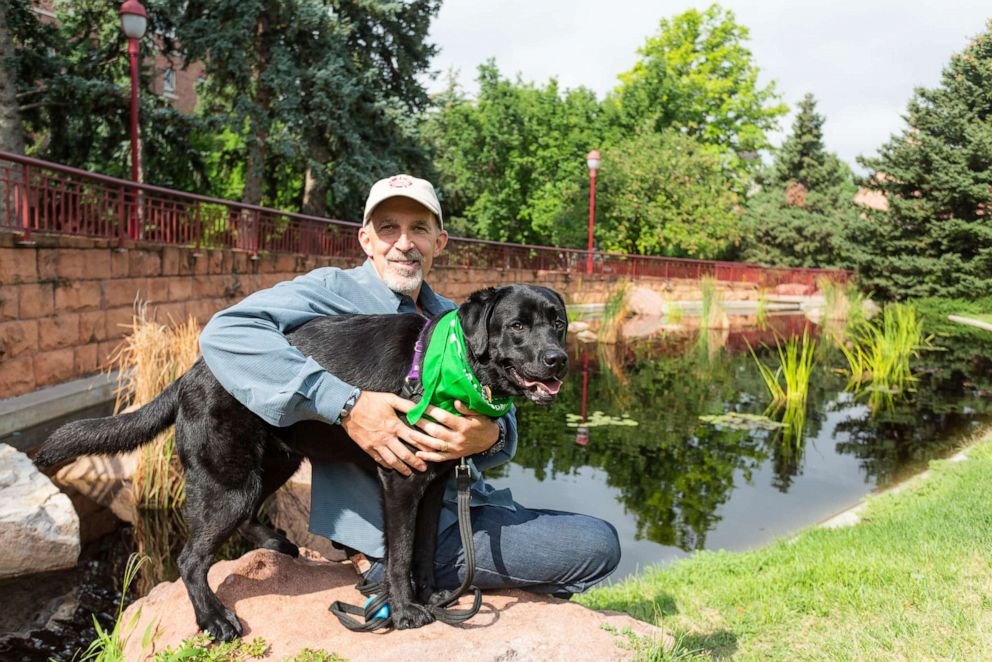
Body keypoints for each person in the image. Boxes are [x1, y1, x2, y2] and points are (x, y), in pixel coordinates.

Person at [198, 174, 620, 598]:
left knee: (587, 535)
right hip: (396, 530)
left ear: (440, 241)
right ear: (365, 239)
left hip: (461, 502)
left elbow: (501, 412)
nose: (404, 242)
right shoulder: (329, 292)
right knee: (595, 546)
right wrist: (347, 405)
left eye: (419, 228)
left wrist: (488, 435)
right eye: (388, 229)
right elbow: (225, 332)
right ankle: (396, 576)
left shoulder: (453, 316)